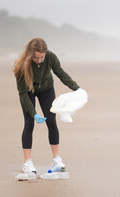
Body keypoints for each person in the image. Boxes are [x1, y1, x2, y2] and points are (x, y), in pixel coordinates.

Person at [13, 37, 81, 174]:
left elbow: (60, 73)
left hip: (46, 89)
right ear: (30, 54)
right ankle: (27, 162)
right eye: (36, 58)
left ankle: (56, 159)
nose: (39, 60)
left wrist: (76, 88)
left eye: (41, 57)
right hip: (28, 91)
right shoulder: (21, 65)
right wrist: (34, 114)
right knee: (29, 123)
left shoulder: (50, 57)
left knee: (51, 121)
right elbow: (22, 93)